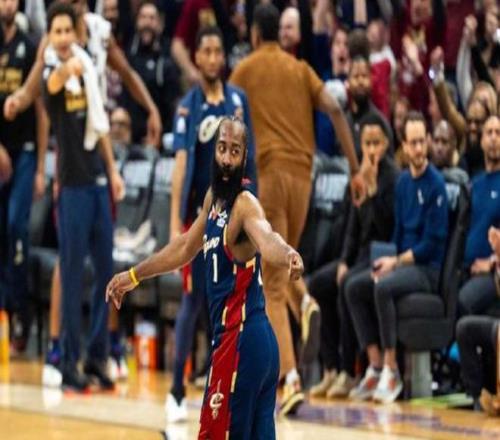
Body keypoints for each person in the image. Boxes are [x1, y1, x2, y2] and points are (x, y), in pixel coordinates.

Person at [106, 117, 300, 439]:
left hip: (242, 341)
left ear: (244, 157)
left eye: (234, 151)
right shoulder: (214, 200)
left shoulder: (245, 205)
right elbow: (184, 246)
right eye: (222, 148)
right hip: (252, 345)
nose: (226, 159)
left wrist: (287, 254)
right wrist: (134, 275)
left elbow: (267, 238)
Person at [229, 3, 365, 415]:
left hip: (269, 176)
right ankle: (304, 301)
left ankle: (289, 380)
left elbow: (227, 122)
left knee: (270, 282)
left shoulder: (244, 71)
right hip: (304, 179)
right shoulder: (301, 69)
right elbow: (336, 109)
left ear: (255, 34)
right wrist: (355, 170)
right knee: (282, 261)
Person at [167, 25, 256, 423]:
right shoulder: (189, 106)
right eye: (206, 51)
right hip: (201, 217)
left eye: (219, 51)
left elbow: (250, 158)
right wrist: (176, 221)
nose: (214, 57)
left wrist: (254, 210)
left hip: (235, 218)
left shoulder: (238, 101)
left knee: (229, 301)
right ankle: (175, 389)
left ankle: (224, 385)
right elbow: (182, 163)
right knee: (192, 299)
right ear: (197, 57)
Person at [42, 1, 124, 391]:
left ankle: (96, 355)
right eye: (56, 31)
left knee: (107, 271)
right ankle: (69, 363)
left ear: (75, 33)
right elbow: (53, 85)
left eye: (67, 31)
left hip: (98, 182)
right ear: (50, 36)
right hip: (72, 186)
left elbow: (101, 125)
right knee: (72, 275)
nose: (62, 38)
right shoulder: (51, 71)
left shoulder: (88, 68)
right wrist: (65, 68)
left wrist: (113, 171)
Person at [346, 111, 448, 404]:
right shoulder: (403, 183)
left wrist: (395, 263)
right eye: (413, 143)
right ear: (404, 146)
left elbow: (431, 245)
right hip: (402, 262)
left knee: (382, 287)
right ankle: (375, 365)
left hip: (427, 270)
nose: (418, 149)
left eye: (422, 142)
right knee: (355, 287)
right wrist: (386, 261)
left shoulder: (436, 185)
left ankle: (392, 370)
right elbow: (398, 232)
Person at [309, 113, 399, 398]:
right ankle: (330, 368)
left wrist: (372, 194)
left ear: (386, 144)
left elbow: (386, 227)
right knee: (317, 284)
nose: (371, 150)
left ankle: (349, 371)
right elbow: (351, 226)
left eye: (376, 143)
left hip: (381, 254)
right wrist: (344, 261)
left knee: (347, 286)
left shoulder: (393, 178)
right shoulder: (358, 175)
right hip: (358, 255)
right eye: (367, 144)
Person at [0, 0, 47, 352]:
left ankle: (19, 310)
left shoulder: (30, 47)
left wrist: (42, 167)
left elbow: (41, 110)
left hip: (26, 150)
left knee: (17, 226)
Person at [458, 115, 500, 316]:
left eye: (498, 133)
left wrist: (491, 262)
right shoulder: (474, 183)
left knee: (464, 301)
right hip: (467, 267)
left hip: (492, 272)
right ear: (481, 141)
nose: (494, 138)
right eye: (489, 133)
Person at [124, 0, 181, 143]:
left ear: (160, 24)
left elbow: (173, 104)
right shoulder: (127, 56)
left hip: (160, 137)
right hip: (130, 137)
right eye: (143, 17)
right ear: (136, 22)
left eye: (151, 18)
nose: (147, 23)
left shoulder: (167, 59)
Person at [429, 120, 469, 186]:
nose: (439, 148)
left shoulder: (462, 174)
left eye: (444, 142)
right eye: (436, 141)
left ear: (453, 145)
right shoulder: (422, 172)